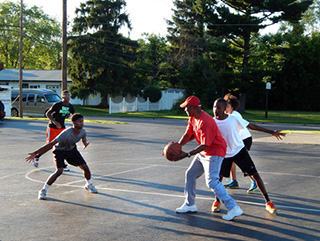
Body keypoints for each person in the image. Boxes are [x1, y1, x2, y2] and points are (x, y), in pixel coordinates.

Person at [173, 96, 243, 221]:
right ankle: (190, 204)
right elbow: (188, 134)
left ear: (193, 108)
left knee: (212, 181)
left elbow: (206, 144)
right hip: (204, 152)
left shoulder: (206, 121)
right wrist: (177, 147)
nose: (184, 110)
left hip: (215, 152)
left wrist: (187, 154)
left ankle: (233, 207)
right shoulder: (193, 118)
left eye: (186, 107)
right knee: (190, 174)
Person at [212, 98, 285, 214]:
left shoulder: (233, 119)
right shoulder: (212, 122)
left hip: (239, 151)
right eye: (214, 107)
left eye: (219, 107)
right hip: (224, 154)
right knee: (218, 178)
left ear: (225, 109)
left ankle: (268, 202)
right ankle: (216, 201)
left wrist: (271, 132)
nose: (216, 110)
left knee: (255, 174)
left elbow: (251, 126)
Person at [26, 113, 98, 200]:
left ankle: (89, 184)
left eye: (82, 121)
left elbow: (83, 139)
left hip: (72, 150)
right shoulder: (66, 133)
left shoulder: (83, 131)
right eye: (79, 122)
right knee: (59, 171)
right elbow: (51, 144)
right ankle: (43, 191)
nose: (82, 123)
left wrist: (85, 144)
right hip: (59, 151)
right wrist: (36, 153)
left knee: (85, 168)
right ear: (73, 123)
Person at [33, 90, 75, 171]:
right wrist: (55, 122)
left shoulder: (70, 106)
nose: (67, 97)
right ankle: (37, 156)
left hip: (62, 129)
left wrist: (74, 126)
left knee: (63, 146)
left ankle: (62, 165)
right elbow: (48, 113)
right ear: (62, 97)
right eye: (65, 96)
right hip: (52, 128)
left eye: (68, 96)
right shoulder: (57, 105)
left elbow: (74, 117)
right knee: (49, 146)